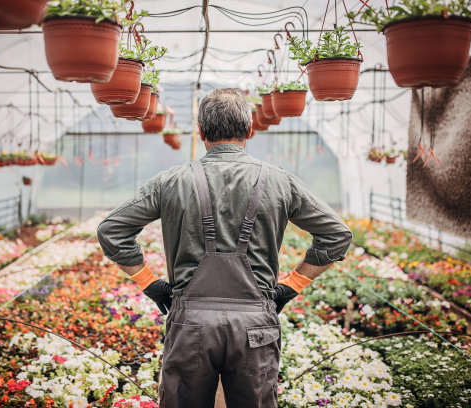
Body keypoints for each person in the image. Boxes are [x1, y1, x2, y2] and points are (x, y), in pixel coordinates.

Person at [97, 88, 352, 408]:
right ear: (249, 130)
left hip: (190, 324)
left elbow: (112, 231)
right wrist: (293, 285)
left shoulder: (170, 181)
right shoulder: (279, 181)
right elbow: (337, 235)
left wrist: (151, 284)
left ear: (201, 132)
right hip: (255, 325)